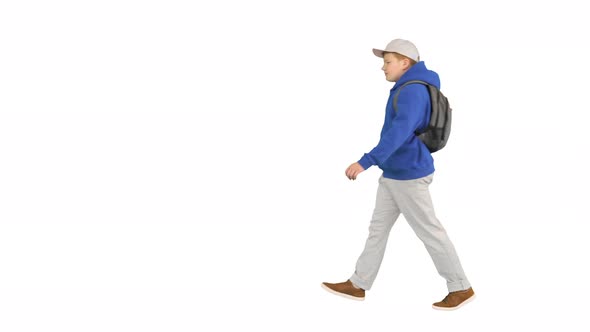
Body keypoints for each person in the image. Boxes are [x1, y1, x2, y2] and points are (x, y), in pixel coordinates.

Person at [321, 39, 475, 310]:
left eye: (388, 61)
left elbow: (399, 133)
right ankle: (359, 284)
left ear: (406, 63)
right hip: (394, 172)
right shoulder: (405, 88)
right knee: (377, 231)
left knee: (430, 231)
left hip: (409, 175)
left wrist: (365, 161)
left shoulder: (412, 91)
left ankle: (460, 286)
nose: (383, 67)